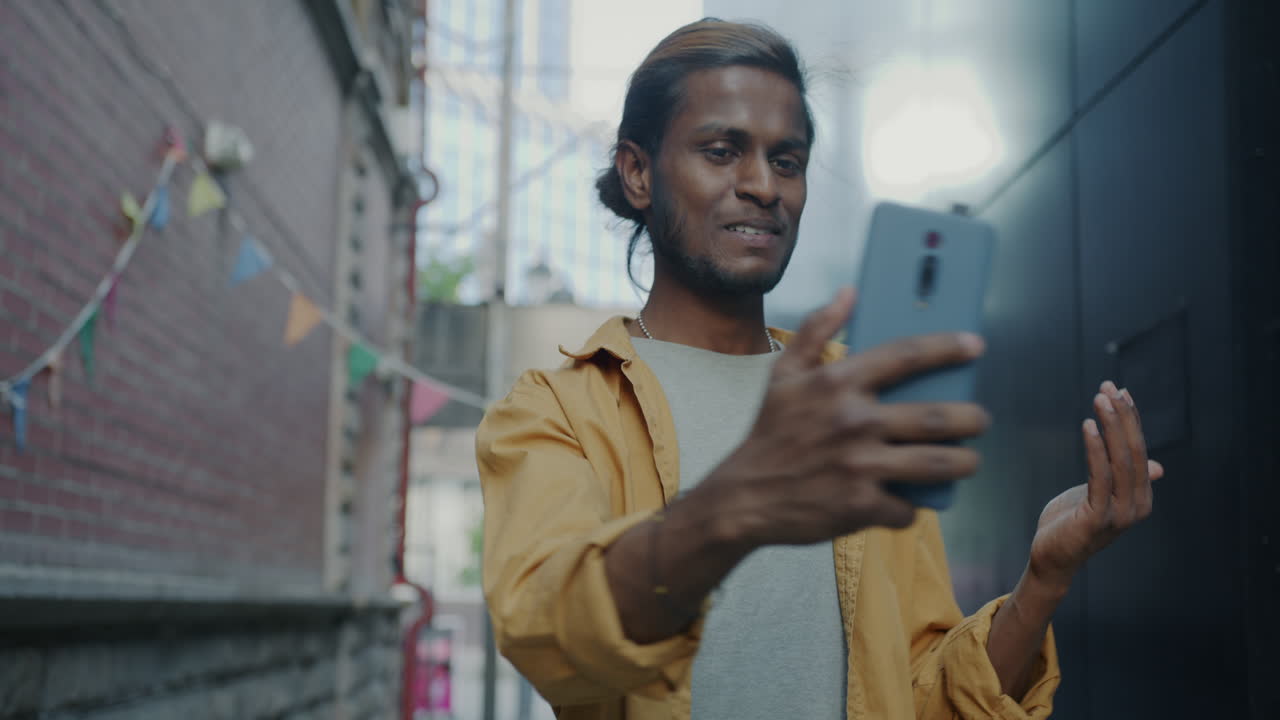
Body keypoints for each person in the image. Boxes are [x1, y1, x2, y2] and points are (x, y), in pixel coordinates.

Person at [476, 18, 1161, 720]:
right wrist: (734, 505)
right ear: (639, 171)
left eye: (787, 160)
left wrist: (1044, 580)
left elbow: (920, 693)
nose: (763, 186)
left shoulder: (855, 396)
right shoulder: (553, 412)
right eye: (721, 151)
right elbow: (548, 628)